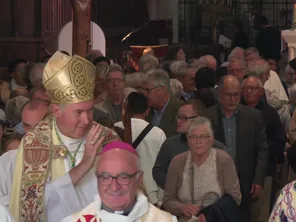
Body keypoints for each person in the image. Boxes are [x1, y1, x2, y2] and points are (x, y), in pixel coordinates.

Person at [0, 52, 120, 221]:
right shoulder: (35, 144)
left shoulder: (107, 137)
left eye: (90, 110)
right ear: (56, 111)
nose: (86, 120)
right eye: (78, 112)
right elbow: (31, 206)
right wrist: (84, 165)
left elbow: (132, 193)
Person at [203, 75, 269, 221]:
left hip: (245, 181)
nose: (233, 99)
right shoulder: (207, 116)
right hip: (215, 181)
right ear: (219, 93)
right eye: (229, 95)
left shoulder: (253, 116)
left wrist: (258, 179)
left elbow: (262, 150)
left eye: (237, 94)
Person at [62, 141, 177, 222]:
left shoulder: (164, 220)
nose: (114, 187)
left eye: (124, 177)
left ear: (139, 179)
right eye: (105, 177)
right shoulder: (74, 221)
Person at [163, 117, 242, 222]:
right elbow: (168, 199)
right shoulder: (177, 162)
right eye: (193, 137)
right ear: (188, 139)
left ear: (211, 139)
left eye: (203, 137)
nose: (198, 141)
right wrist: (181, 207)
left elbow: (235, 196)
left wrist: (210, 213)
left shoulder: (223, 160)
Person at [153, 100, 226, 191]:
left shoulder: (217, 147)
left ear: (199, 119)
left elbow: (226, 178)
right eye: (178, 117)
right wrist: (175, 189)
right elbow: (158, 172)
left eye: (184, 118)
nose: (179, 121)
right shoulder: (170, 144)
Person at [241, 76, 285, 221]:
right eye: (245, 88)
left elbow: (279, 141)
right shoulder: (236, 110)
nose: (248, 91)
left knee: (259, 213)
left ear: (260, 92)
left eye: (252, 88)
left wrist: (260, 149)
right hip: (239, 170)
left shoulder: (269, 113)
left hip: (264, 170)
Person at [114, 92, 166, 205]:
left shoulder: (115, 128)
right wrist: (160, 200)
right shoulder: (158, 133)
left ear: (126, 109)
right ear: (147, 111)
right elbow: (164, 167)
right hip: (151, 196)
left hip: (121, 192)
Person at [144, 69, 183, 137]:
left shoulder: (180, 109)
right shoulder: (145, 110)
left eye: (148, 90)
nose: (145, 94)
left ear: (163, 89)